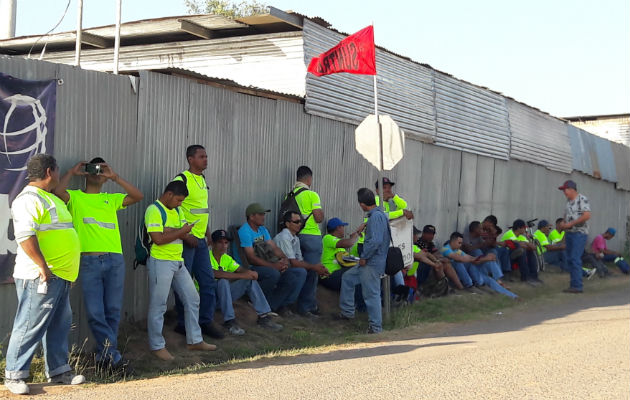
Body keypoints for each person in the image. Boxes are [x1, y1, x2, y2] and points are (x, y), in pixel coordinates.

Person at [5, 154, 85, 395]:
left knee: (59, 325)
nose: (59, 175)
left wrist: (67, 272)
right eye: (58, 171)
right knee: (30, 324)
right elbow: (25, 237)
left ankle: (59, 371)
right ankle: (14, 374)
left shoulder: (49, 198)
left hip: (60, 276)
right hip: (39, 276)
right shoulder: (28, 200)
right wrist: (42, 266)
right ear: (50, 171)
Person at [54, 158, 142, 374]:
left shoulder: (110, 199)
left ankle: (106, 359)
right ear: (85, 172)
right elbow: (57, 193)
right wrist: (71, 172)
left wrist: (115, 177)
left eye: (102, 170)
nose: (98, 172)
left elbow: (137, 196)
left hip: (114, 260)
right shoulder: (75, 197)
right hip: (89, 261)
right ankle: (114, 357)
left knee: (112, 312)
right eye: (94, 169)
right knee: (95, 313)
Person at [145, 181, 216, 361]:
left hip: (178, 261)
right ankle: (157, 345)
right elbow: (158, 239)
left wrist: (173, 231)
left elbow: (187, 235)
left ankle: (194, 340)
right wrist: (180, 231)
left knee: (193, 298)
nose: (180, 204)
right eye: (178, 200)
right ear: (168, 195)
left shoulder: (177, 211)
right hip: (160, 262)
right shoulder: (154, 210)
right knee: (158, 304)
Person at [173, 145, 223, 339]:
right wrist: (186, 235)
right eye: (201, 156)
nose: (206, 159)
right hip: (186, 241)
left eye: (206, 156)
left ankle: (205, 321)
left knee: (207, 281)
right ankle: (182, 323)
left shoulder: (202, 180)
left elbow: (201, 210)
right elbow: (173, 209)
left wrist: (207, 232)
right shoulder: (182, 180)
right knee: (184, 283)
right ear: (190, 159)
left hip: (201, 240)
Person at [210, 230, 283, 335]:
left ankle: (263, 317)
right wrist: (241, 275)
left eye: (226, 243)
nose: (224, 246)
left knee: (248, 279)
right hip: (209, 299)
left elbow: (240, 270)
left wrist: (250, 273)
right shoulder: (206, 257)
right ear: (212, 244)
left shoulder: (226, 258)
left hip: (224, 297)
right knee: (223, 282)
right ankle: (229, 322)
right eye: (220, 242)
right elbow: (216, 274)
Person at [238, 203, 306, 315]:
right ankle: (255, 301)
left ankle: (275, 305)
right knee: (273, 273)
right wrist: (274, 266)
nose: (263, 217)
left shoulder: (262, 229)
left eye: (263, 214)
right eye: (260, 214)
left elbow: (274, 247)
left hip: (267, 263)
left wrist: (284, 259)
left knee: (298, 273)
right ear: (251, 216)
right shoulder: (245, 231)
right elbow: (251, 258)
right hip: (251, 267)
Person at [339, 188, 390, 334]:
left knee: (371, 294)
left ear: (362, 204)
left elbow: (375, 241)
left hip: (371, 262)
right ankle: (347, 313)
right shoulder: (378, 215)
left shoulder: (375, 217)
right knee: (348, 278)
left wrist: (364, 257)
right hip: (372, 261)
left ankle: (375, 328)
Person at [273, 210, 329, 317]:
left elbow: (300, 260)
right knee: (301, 272)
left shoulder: (296, 238)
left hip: (289, 267)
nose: (300, 224)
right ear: (287, 224)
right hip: (280, 269)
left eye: (301, 222)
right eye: (296, 222)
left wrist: (318, 268)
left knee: (310, 271)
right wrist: (314, 266)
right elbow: (293, 262)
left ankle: (305, 307)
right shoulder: (284, 237)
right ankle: (284, 305)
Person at [291, 166, 325, 317]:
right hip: (311, 236)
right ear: (309, 179)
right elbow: (318, 218)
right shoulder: (312, 195)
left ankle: (294, 302)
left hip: (295, 236)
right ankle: (307, 307)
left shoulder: (290, 195)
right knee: (313, 271)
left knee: (300, 270)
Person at [441, 232, 518, 299]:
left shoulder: (457, 250)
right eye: (459, 243)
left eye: (461, 243)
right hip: (454, 276)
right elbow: (460, 259)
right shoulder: (445, 249)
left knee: (487, 264)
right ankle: (472, 285)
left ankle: (512, 295)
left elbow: (469, 257)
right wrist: (483, 259)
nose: (460, 245)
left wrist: (483, 258)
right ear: (453, 241)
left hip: (467, 273)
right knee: (463, 263)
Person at [558, 180, 591, 293]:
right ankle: (573, 284)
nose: (564, 192)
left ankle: (577, 285)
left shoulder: (582, 199)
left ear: (572, 189)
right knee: (571, 259)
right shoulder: (568, 202)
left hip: (579, 233)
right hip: (570, 233)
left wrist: (570, 224)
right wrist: (563, 223)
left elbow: (587, 215)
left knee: (575, 258)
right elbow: (565, 216)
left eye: (565, 190)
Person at [319, 217, 364, 291]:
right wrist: (355, 236)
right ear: (338, 227)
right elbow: (349, 243)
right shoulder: (328, 238)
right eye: (343, 227)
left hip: (338, 273)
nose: (344, 229)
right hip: (330, 275)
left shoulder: (341, 247)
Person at [463, 221, 505, 285]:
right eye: (480, 229)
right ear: (475, 229)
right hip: (469, 256)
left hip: (479, 257)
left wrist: (492, 236)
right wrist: (483, 244)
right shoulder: (467, 235)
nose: (482, 230)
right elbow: (468, 249)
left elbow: (488, 245)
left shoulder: (479, 236)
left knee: (492, 253)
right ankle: (486, 275)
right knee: (478, 251)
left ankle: (498, 278)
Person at [501, 219, 542, 285]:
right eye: (524, 228)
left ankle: (534, 277)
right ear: (518, 228)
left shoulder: (521, 236)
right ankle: (525, 278)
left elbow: (534, 247)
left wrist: (527, 242)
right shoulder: (509, 234)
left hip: (517, 256)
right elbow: (518, 245)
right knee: (522, 251)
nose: (525, 230)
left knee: (529, 251)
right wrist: (525, 244)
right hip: (507, 258)